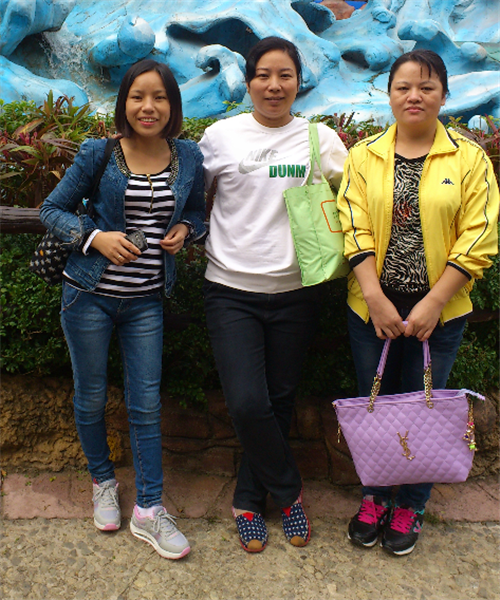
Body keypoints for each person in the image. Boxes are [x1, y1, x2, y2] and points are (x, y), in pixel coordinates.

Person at [39, 59, 206, 559]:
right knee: (91, 397)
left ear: (173, 105)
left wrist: (186, 230)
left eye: (159, 97)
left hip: (146, 301)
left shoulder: (188, 156)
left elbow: (195, 211)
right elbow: (51, 209)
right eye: (137, 96)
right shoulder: (99, 153)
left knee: (146, 404)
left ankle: (150, 509)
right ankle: (102, 481)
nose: (148, 107)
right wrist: (95, 237)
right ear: (124, 102)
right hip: (87, 295)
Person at [337, 49, 499, 556]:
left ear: (444, 96)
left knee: (424, 406)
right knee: (376, 404)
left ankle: (411, 503)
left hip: (440, 313)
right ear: (388, 95)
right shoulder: (365, 155)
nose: (414, 96)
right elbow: (352, 224)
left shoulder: (468, 158)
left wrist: (433, 302)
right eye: (403, 87)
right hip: (372, 310)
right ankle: (374, 497)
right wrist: (374, 297)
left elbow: (480, 234)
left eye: (427, 87)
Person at [199, 36, 348, 552]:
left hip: (296, 290)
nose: (273, 85)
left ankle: (247, 500)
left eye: (285, 75)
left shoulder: (320, 139)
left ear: (299, 82)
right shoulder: (221, 136)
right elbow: (192, 196)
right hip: (230, 288)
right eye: (263, 75)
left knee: (279, 400)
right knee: (246, 401)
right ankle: (288, 492)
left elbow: (357, 195)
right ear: (248, 82)